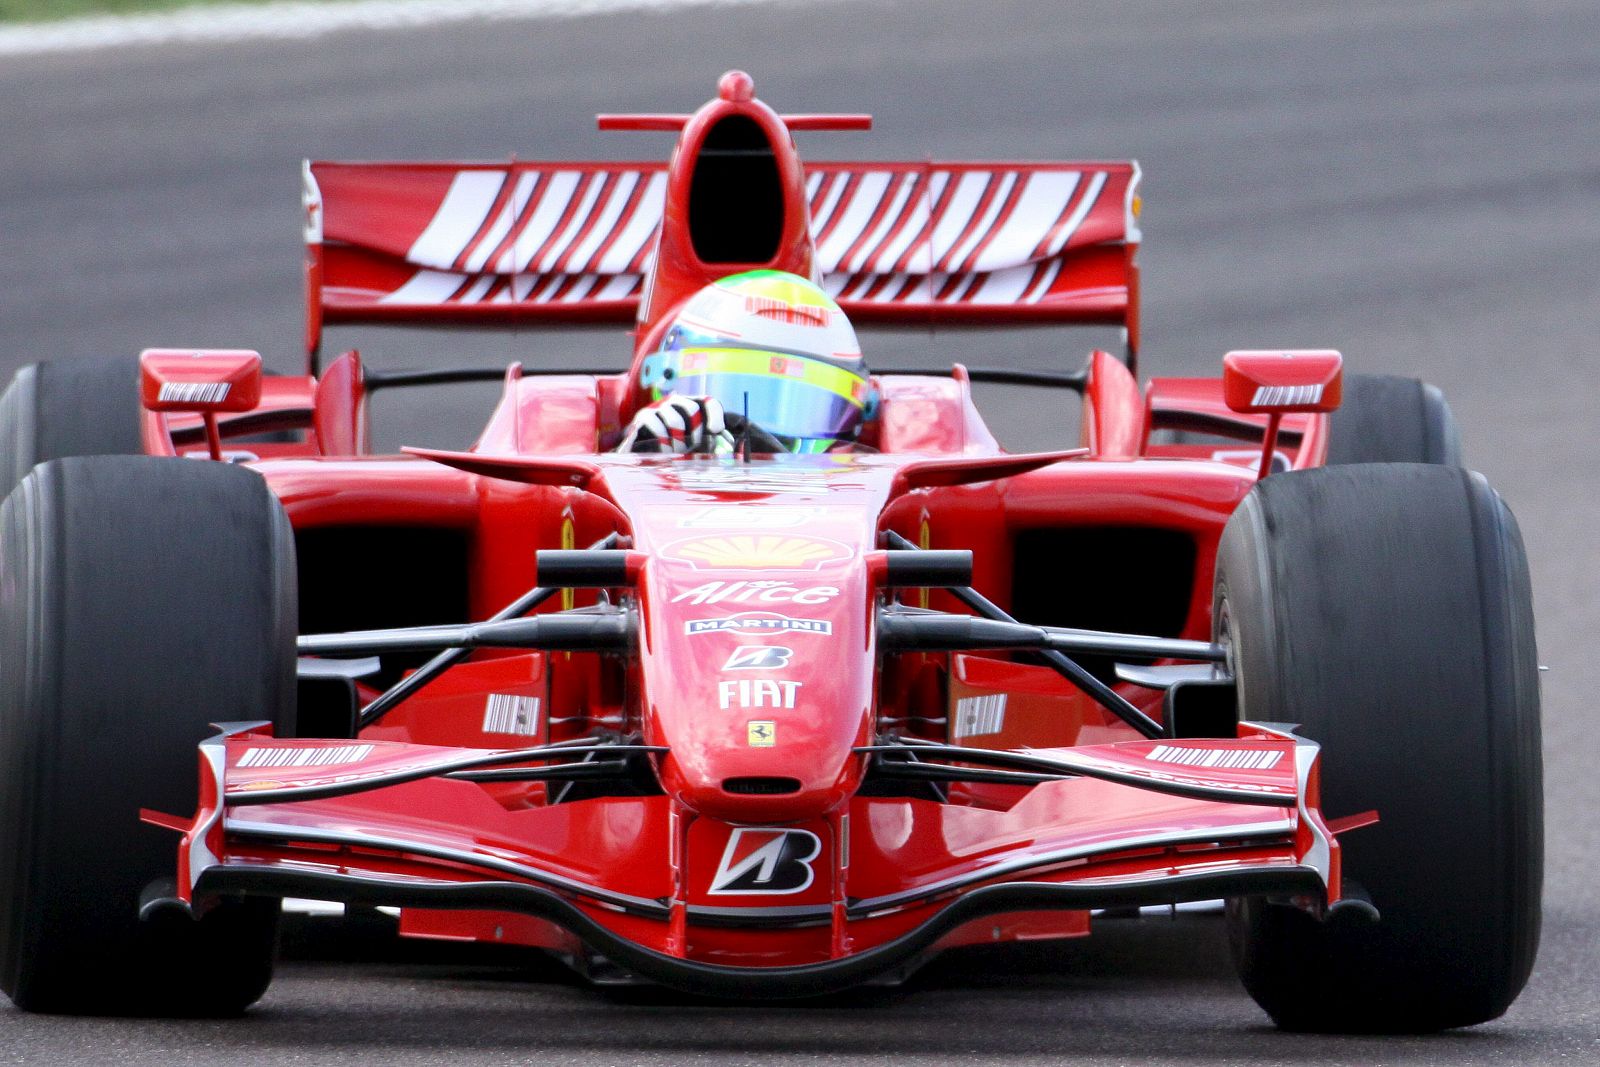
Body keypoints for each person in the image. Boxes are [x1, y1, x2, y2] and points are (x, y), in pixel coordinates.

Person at [620, 271, 875, 454]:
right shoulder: (652, 446)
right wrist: (635, 464)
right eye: (729, 393)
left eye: (802, 407)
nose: (752, 435)